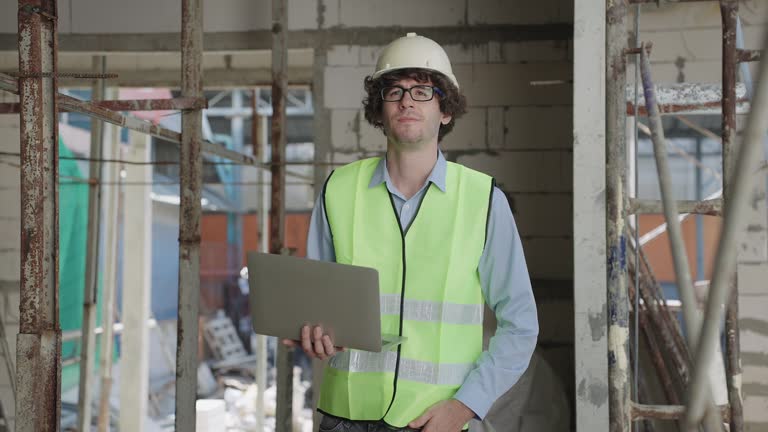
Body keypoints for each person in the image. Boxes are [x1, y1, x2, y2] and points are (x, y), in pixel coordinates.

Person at [285, 33, 538, 432]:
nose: (407, 100)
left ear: (445, 110)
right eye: (395, 90)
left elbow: (521, 323)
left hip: (436, 420)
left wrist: (465, 406)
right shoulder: (338, 191)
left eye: (423, 90)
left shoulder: (483, 200)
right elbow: (318, 308)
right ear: (379, 109)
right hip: (345, 417)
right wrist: (310, 331)